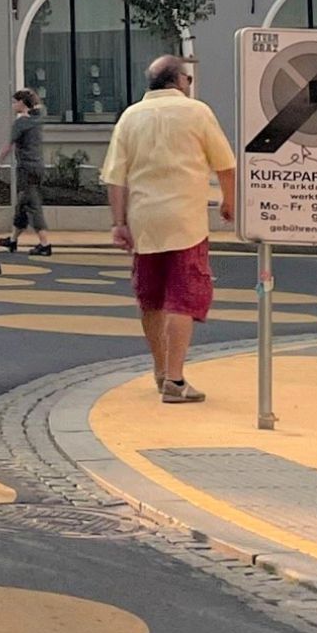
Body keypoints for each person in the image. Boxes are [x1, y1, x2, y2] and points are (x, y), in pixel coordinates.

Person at [101, 54, 236, 404]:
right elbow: (225, 164)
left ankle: (160, 370)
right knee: (182, 297)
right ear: (179, 80)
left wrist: (118, 223)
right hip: (186, 220)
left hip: (144, 220)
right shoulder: (197, 112)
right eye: (188, 80)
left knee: (151, 298)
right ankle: (176, 380)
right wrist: (228, 201)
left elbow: (115, 176)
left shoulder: (130, 117)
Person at [0, 88, 51, 256]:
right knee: (21, 205)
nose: (13, 105)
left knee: (33, 204)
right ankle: (12, 240)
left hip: (26, 168)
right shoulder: (37, 119)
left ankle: (45, 244)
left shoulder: (20, 123)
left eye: (15, 102)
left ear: (21, 103)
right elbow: (42, 107)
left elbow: (8, 146)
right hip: (38, 166)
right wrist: (32, 96)